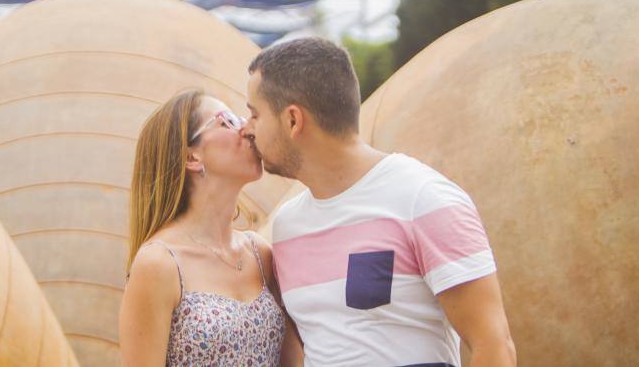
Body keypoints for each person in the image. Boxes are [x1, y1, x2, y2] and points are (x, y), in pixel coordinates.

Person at [241, 38, 516, 367]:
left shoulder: (424, 198)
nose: (246, 129)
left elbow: (494, 344)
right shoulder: (287, 227)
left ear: (293, 120)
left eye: (255, 114)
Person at [119, 90, 303, 366]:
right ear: (192, 157)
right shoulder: (159, 264)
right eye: (227, 121)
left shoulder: (260, 253)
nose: (247, 128)